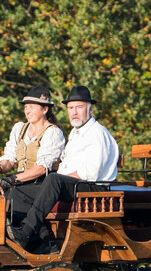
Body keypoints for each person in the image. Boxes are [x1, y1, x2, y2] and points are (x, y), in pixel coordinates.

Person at [8, 85, 119, 254]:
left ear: (90, 109)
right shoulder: (75, 133)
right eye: (71, 108)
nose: (74, 112)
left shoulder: (98, 134)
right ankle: (45, 243)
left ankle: (26, 231)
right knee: (20, 190)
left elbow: (90, 173)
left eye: (79, 107)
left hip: (94, 188)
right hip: (74, 185)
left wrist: (57, 180)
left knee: (53, 179)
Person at [0, 86, 66, 223]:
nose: (27, 110)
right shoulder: (19, 128)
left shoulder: (53, 133)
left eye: (31, 106)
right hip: (19, 181)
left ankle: (23, 232)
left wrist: (13, 179)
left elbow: (41, 168)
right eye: (26, 107)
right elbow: (10, 160)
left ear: (45, 109)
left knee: (14, 195)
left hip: (41, 184)